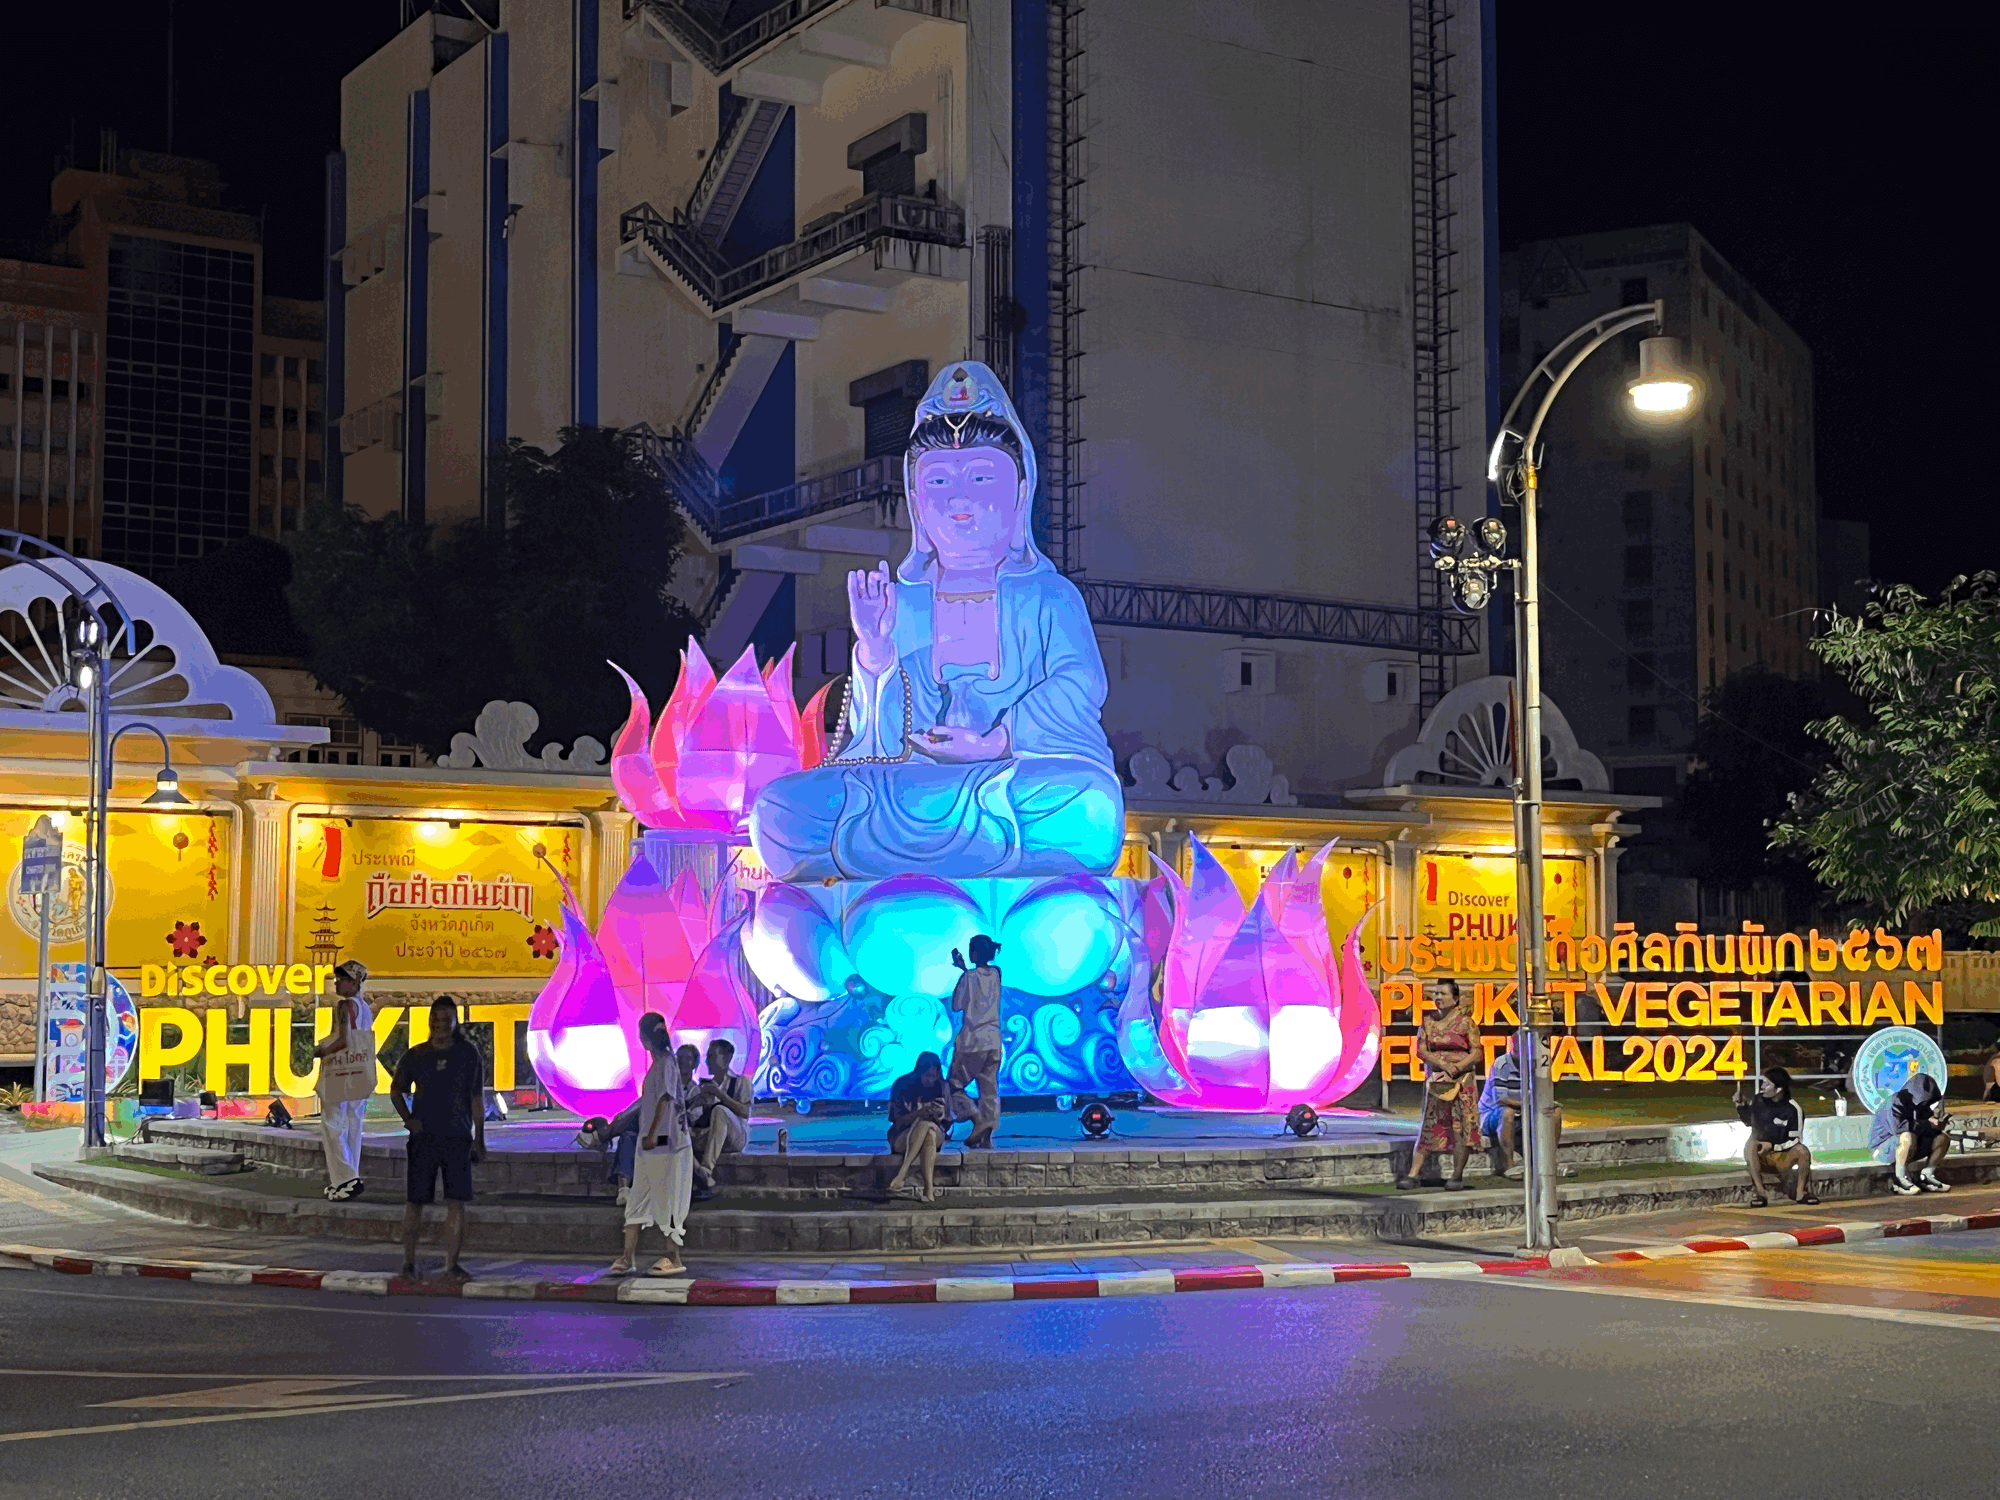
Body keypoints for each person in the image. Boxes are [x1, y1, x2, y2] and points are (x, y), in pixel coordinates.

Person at [749, 361, 1124, 882]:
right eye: (940, 480)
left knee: (1088, 805)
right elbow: (878, 747)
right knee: (780, 812)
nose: (960, 500)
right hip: (915, 787)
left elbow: (1081, 684)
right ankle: (964, 851)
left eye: (981, 477)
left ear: (1019, 495)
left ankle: (910, 856)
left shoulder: (1048, 595)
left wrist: (996, 743)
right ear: (916, 502)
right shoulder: (904, 602)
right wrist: (875, 652)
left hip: (1016, 775)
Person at [389, 995, 486, 1282]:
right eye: (436, 1020)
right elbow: (396, 1090)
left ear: (456, 1022)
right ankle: (408, 1263)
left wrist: (480, 1138)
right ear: (429, 1022)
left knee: (457, 1202)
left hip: (457, 1137)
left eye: (446, 1020)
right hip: (424, 1138)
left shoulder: (468, 1055)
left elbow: (476, 1098)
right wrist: (408, 1120)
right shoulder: (416, 1055)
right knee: (415, 1202)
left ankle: (452, 1265)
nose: (441, 1025)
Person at [609, 1013, 694, 1276]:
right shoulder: (659, 1065)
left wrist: (652, 1134)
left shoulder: (667, 1063)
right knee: (637, 1198)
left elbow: (666, 1101)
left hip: (667, 1146)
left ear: (645, 1037)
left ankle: (674, 1256)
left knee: (668, 1200)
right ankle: (627, 1256)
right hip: (651, 1147)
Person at [1399, 979, 1480, 1190]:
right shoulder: (1428, 1021)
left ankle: (1457, 1175)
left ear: (1454, 998)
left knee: (1461, 1126)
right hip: (1436, 1081)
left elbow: (1476, 1053)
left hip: (1461, 1081)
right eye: (1435, 993)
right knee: (1430, 1123)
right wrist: (1442, 1064)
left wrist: (1454, 1069)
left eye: (1443, 994)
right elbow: (1421, 1050)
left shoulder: (1466, 1022)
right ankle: (1413, 1174)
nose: (1438, 998)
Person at [312, 959, 375, 1202]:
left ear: (355, 982)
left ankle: (346, 1178)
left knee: (332, 1124)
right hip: (359, 1072)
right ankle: (347, 1178)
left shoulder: (345, 1005)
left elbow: (344, 1040)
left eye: (342, 979)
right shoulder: (365, 1007)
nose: (337, 983)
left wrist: (321, 1051)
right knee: (354, 1123)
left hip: (339, 1070)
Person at [1478, 1033, 1567, 1181]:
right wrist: (1533, 1104)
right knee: (1507, 1113)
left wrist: (1546, 1103)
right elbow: (1501, 1099)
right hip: (1492, 1114)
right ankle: (1509, 1165)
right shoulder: (1502, 1064)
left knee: (1555, 1111)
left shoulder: (1538, 1063)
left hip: (1523, 1112)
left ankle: (1549, 1161)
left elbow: (1541, 1093)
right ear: (1514, 1048)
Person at [947, 935, 1005, 1148]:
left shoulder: (968, 978)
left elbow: (957, 1005)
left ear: (973, 953)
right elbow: (979, 981)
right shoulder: (997, 974)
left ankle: (976, 1119)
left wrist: (963, 972)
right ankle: (986, 1139)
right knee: (989, 1090)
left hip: (972, 1042)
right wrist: (964, 970)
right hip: (993, 1042)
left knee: (954, 1084)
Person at [1734, 1066, 1818, 1207]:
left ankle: (1800, 1193)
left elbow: (1795, 1140)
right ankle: (1760, 1193)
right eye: (1763, 1082)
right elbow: (1749, 1121)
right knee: (1751, 1144)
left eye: (1767, 1084)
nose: (1762, 1087)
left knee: (1803, 1151)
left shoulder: (1793, 1109)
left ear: (1778, 1089)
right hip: (1761, 1156)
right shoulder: (1758, 1100)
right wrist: (1741, 1106)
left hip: (1783, 1157)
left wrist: (1773, 1145)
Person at [689, 1038, 753, 1201]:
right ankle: (700, 1176)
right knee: (676, 1127)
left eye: (712, 1056)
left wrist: (720, 1095)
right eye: (707, 1057)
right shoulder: (702, 1086)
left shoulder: (741, 1082)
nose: (707, 1061)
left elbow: (745, 1112)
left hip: (735, 1137)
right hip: (709, 1136)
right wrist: (697, 1103)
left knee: (720, 1111)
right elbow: (693, 1118)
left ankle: (705, 1169)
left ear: (726, 1058)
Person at [1871, 1071, 1952, 1194]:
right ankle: (1900, 1179)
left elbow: (1924, 1127)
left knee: (1942, 1138)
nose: (1927, 1104)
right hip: (1882, 1150)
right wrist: (1928, 1124)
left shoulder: (1920, 1104)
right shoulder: (1894, 1103)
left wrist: (1936, 1126)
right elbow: (1898, 1129)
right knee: (1907, 1136)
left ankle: (1927, 1176)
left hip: (1908, 1147)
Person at [886, 1052, 950, 1202]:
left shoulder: (942, 1086)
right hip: (903, 1136)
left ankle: (903, 1173)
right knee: (926, 1128)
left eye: (934, 1076)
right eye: (927, 1076)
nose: (931, 1080)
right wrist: (918, 1113)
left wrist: (938, 1115)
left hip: (935, 1132)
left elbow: (947, 1123)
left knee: (929, 1127)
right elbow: (896, 1122)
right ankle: (929, 1190)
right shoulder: (902, 1085)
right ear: (918, 1072)